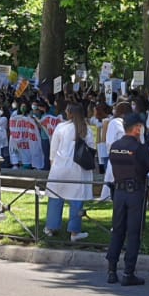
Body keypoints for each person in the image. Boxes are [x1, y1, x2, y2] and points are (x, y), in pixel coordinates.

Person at [104, 113, 149, 286]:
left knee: (117, 231)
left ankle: (111, 270)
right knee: (133, 233)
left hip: (118, 193)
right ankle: (128, 273)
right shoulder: (139, 148)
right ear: (137, 128)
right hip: (135, 193)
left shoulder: (115, 146)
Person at [44, 103, 93, 241]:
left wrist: (53, 164)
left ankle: (51, 227)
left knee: (55, 197)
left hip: (60, 167)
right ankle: (74, 232)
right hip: (78, 169)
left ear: (70, 113)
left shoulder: (61, 127)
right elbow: (91, 148)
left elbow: (53, 150)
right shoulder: (86, 129)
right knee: (76, 200)